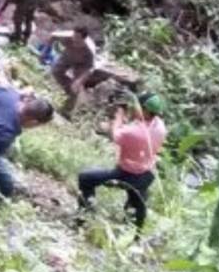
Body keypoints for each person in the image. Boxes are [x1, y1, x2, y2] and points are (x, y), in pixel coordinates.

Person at [77, 93, 167, 228]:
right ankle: (132, 232)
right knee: (135, 205)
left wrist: (118, 117)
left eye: (137, 106)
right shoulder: (160, 127)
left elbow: (114, 135)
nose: (133, 108)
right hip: (146, 175)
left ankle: (87, 211)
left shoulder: (131, 131)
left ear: (145, 110)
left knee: (85, 178)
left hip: (125, 175)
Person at [50, 26, 97, 111]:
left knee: (76, 86)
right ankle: (68, 88)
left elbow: (90, 68)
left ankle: (68, 108)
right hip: (68, 55)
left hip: (83, 63)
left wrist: (79, 80)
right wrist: (47, 49)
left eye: (77, 38)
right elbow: (53, 36)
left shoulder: (90, 50)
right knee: (55, 71)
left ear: (84, 39)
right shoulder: (67, 36)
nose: (74, 39)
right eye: (74, 36)